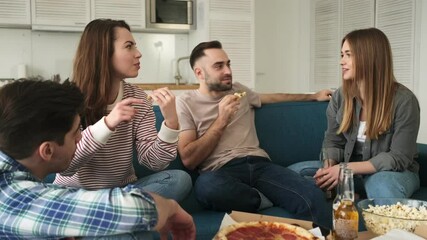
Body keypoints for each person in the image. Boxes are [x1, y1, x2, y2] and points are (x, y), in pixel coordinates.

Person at [0, 79, 195, 239]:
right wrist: (169, 206)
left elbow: (154, 161)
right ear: (47, 151)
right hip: (94, 196)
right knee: (134, 230)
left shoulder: (17, 177)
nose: (80, 137)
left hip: (114, 193)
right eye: (76, 132)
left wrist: (171, 123)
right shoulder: (12, 198)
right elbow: (137, 208)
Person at [176, 40, 333, 228]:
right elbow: (189, 159)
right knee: (206, 187)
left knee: (313, 196)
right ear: (199, 73)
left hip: (260, 166)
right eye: (219, 66)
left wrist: (313, 96)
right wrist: (222, 120)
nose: (228, 71)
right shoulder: (186, 102)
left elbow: (271, 97)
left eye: (228, 64)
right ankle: (261, 199)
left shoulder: (239, 91)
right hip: (221, 171)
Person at [53, 19, 192, 202]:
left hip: (122, 192)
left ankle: (111, 215)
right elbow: (65, 166)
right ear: (103, 53)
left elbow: (154, 162)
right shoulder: (69, 97)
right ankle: (123, 215)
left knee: (179, 180)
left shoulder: (139, 98)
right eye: (129, 46)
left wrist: (171, 124)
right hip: (77, 195)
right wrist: (108, 124)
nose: (139, 54)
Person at [288, 28, 420, 199]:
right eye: (341, 55)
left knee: (380, 184)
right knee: (293, 174)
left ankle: (357, 197)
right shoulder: (340, 97)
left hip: (393, 173)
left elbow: (398, 158)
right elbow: (332, 142)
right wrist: (329, 169)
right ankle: (351, 194)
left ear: (369, 57)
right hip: (350, 171)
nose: (341, 62)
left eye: (348, 55)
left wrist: (344, 169)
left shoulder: (404, 101)